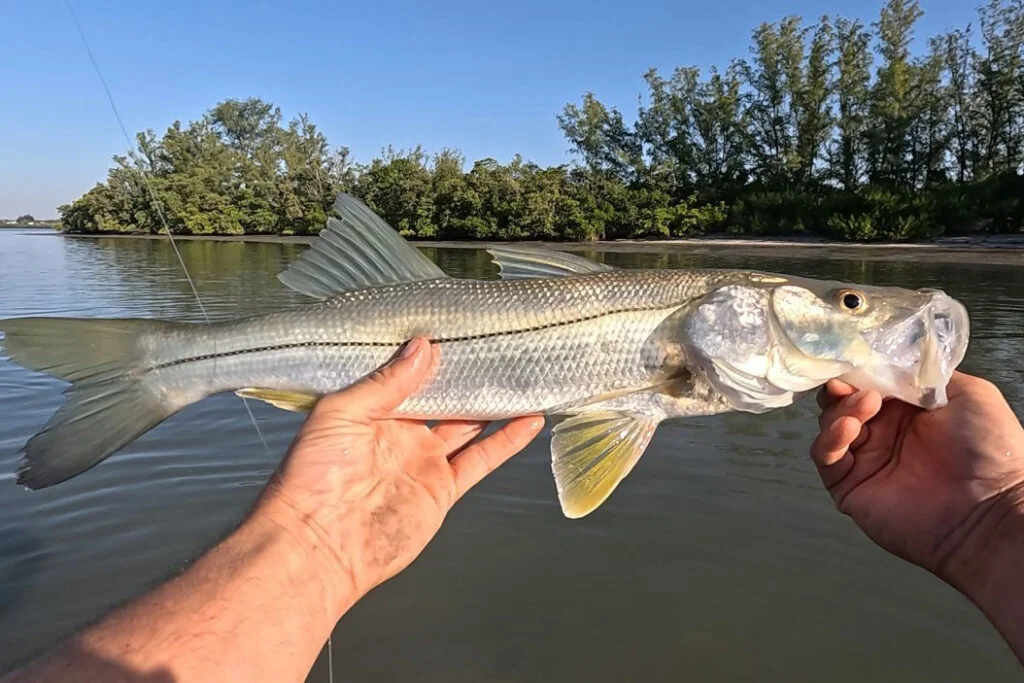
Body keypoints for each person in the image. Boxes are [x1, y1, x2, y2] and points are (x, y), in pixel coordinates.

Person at [2, 337, 1023, 681]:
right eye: (842, 309)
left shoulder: (680, 373)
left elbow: (615, 430)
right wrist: (995, 520)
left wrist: (994, 516)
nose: (856, 324)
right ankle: (155, 366)